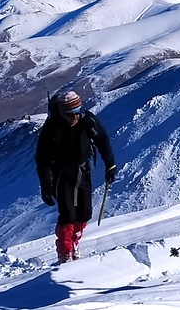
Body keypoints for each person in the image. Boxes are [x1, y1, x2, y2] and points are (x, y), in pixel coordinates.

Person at [36, 90, 117, 264]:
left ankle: (74, 244)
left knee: (84, 213)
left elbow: (102, 140)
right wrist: (46, 187)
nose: (76, 117)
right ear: (63, 113)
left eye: (78, 112)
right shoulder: (52, 128)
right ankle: (65, 254)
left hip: (83, 171)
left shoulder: (87, 120)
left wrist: (110, 165)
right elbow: (43, 159)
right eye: (72, 114)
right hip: (61, 174)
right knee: (67, 215)